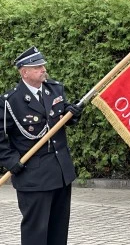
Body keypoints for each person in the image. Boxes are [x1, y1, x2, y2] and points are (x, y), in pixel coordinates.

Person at [0, 46, 84, 245]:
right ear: (24, 72)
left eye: (42, 65)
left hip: (61, 172)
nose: (43, 69)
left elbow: (59, 117)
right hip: (33, 176)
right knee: (36, 233)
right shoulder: (10, 101)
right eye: (37, 66)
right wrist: (10, 160)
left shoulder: (54, 89)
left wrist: (71, 115)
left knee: (58, 230)